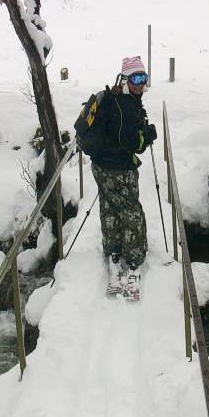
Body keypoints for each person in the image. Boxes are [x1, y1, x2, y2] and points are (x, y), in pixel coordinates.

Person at [90, 56, 157, 300]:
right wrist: (148, 135)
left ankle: (114, 254)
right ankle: (133, 261)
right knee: (131, 213)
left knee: (109, 208)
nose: (141, 84)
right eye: (136, 78)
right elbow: (133, 144)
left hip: (100, 166)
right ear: (126, 79)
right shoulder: (127, 106)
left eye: (144, 78)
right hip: (120, 169)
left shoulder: (110, 98)